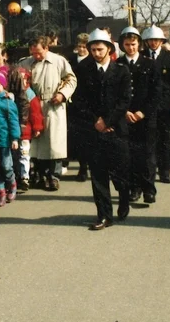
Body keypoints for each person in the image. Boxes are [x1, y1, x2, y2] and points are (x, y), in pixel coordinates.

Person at [72, 29, 132, 230]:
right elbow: (79, 100)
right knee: (98, 176)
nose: (96, 53)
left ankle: (124, 199)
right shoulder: (83, 70)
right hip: (93, 131)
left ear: (109, 49)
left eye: (100, 49)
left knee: (120, 175)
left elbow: (124, 101)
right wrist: (95, 121)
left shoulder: (121, 71)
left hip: (116, 130)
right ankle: (104, 216)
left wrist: (107, 121)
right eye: (93, 49)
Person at [17, 35, 77, 191]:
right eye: (33, 53)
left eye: (39, 53)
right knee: (35, 143)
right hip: (32, 105)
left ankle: (54, 176)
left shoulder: (58, 61)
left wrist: (63, 94)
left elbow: (71, 79)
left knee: (53, 143)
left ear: (46, 48)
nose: (36, 56)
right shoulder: (25, 63)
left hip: (53, 105)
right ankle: (39, 174)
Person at [117, 27, 160, 204]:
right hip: (125, 117)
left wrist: (143, 112)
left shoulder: (150, 64)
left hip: (145, 117)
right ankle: (134, 188)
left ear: (139, 44)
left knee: (148, 154)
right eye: (127, 45)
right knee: (130, 155)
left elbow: (156, 92)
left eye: (133, 44)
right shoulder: (118, 65)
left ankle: (149, 188)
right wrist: (124, 111)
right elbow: (115, 93)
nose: (131, 48)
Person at [142, 25, 170, 185]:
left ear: (161, 41)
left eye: (157, 40)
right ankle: (149, 172)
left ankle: (165, 170)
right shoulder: (141, 57)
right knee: (148, 139)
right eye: (151, 40)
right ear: (146, 42)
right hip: (146, 105)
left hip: (165, 104)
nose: (154, 43)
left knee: (165, 138)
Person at [0, 71, 21, 206]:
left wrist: (14, 138)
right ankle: (0, 192)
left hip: (4, 140)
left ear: (3, 86)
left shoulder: (8, 102)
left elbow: (13, 121)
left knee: (6, 166)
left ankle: (12, 184)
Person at [14, 67, 44, 190]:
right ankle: (17, 176)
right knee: (15, 155)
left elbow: (35, 113)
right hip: (13, 130)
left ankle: (24, 177)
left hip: (25, 131)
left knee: (24, 154)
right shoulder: (12, 92)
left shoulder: (30, 94)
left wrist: (37, 127)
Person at [67, 33, 91, 181]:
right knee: (78, 137)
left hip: (88, 102)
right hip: (74, 101)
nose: (81, 49)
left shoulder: (91, 61)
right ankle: (82, 168)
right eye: (79, 46)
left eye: (84, 47)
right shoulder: (71, 60)